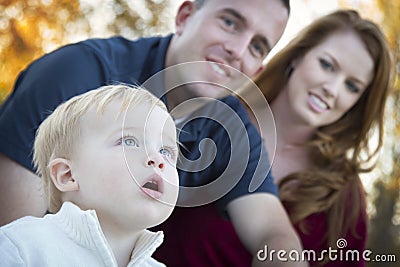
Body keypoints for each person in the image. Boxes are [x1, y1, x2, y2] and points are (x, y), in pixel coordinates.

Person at [0, 0, 305, 266]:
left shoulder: (234, 130)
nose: (237, 50)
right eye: (230, 22)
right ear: (184, 16)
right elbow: (13, 226)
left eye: (257, 46)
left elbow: (274, 235)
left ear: (257, 71)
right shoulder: (78, 73)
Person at [234, 9, 392, 266]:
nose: (332, 89)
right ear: (298, 56)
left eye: (352, 86)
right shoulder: (218, 119)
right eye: (327, 65)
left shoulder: (344, 197)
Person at [0, 84, 180, 266]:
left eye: (166, 151)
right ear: (68, 176)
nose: (157, 159)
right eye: (129, 141)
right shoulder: (22, 247)